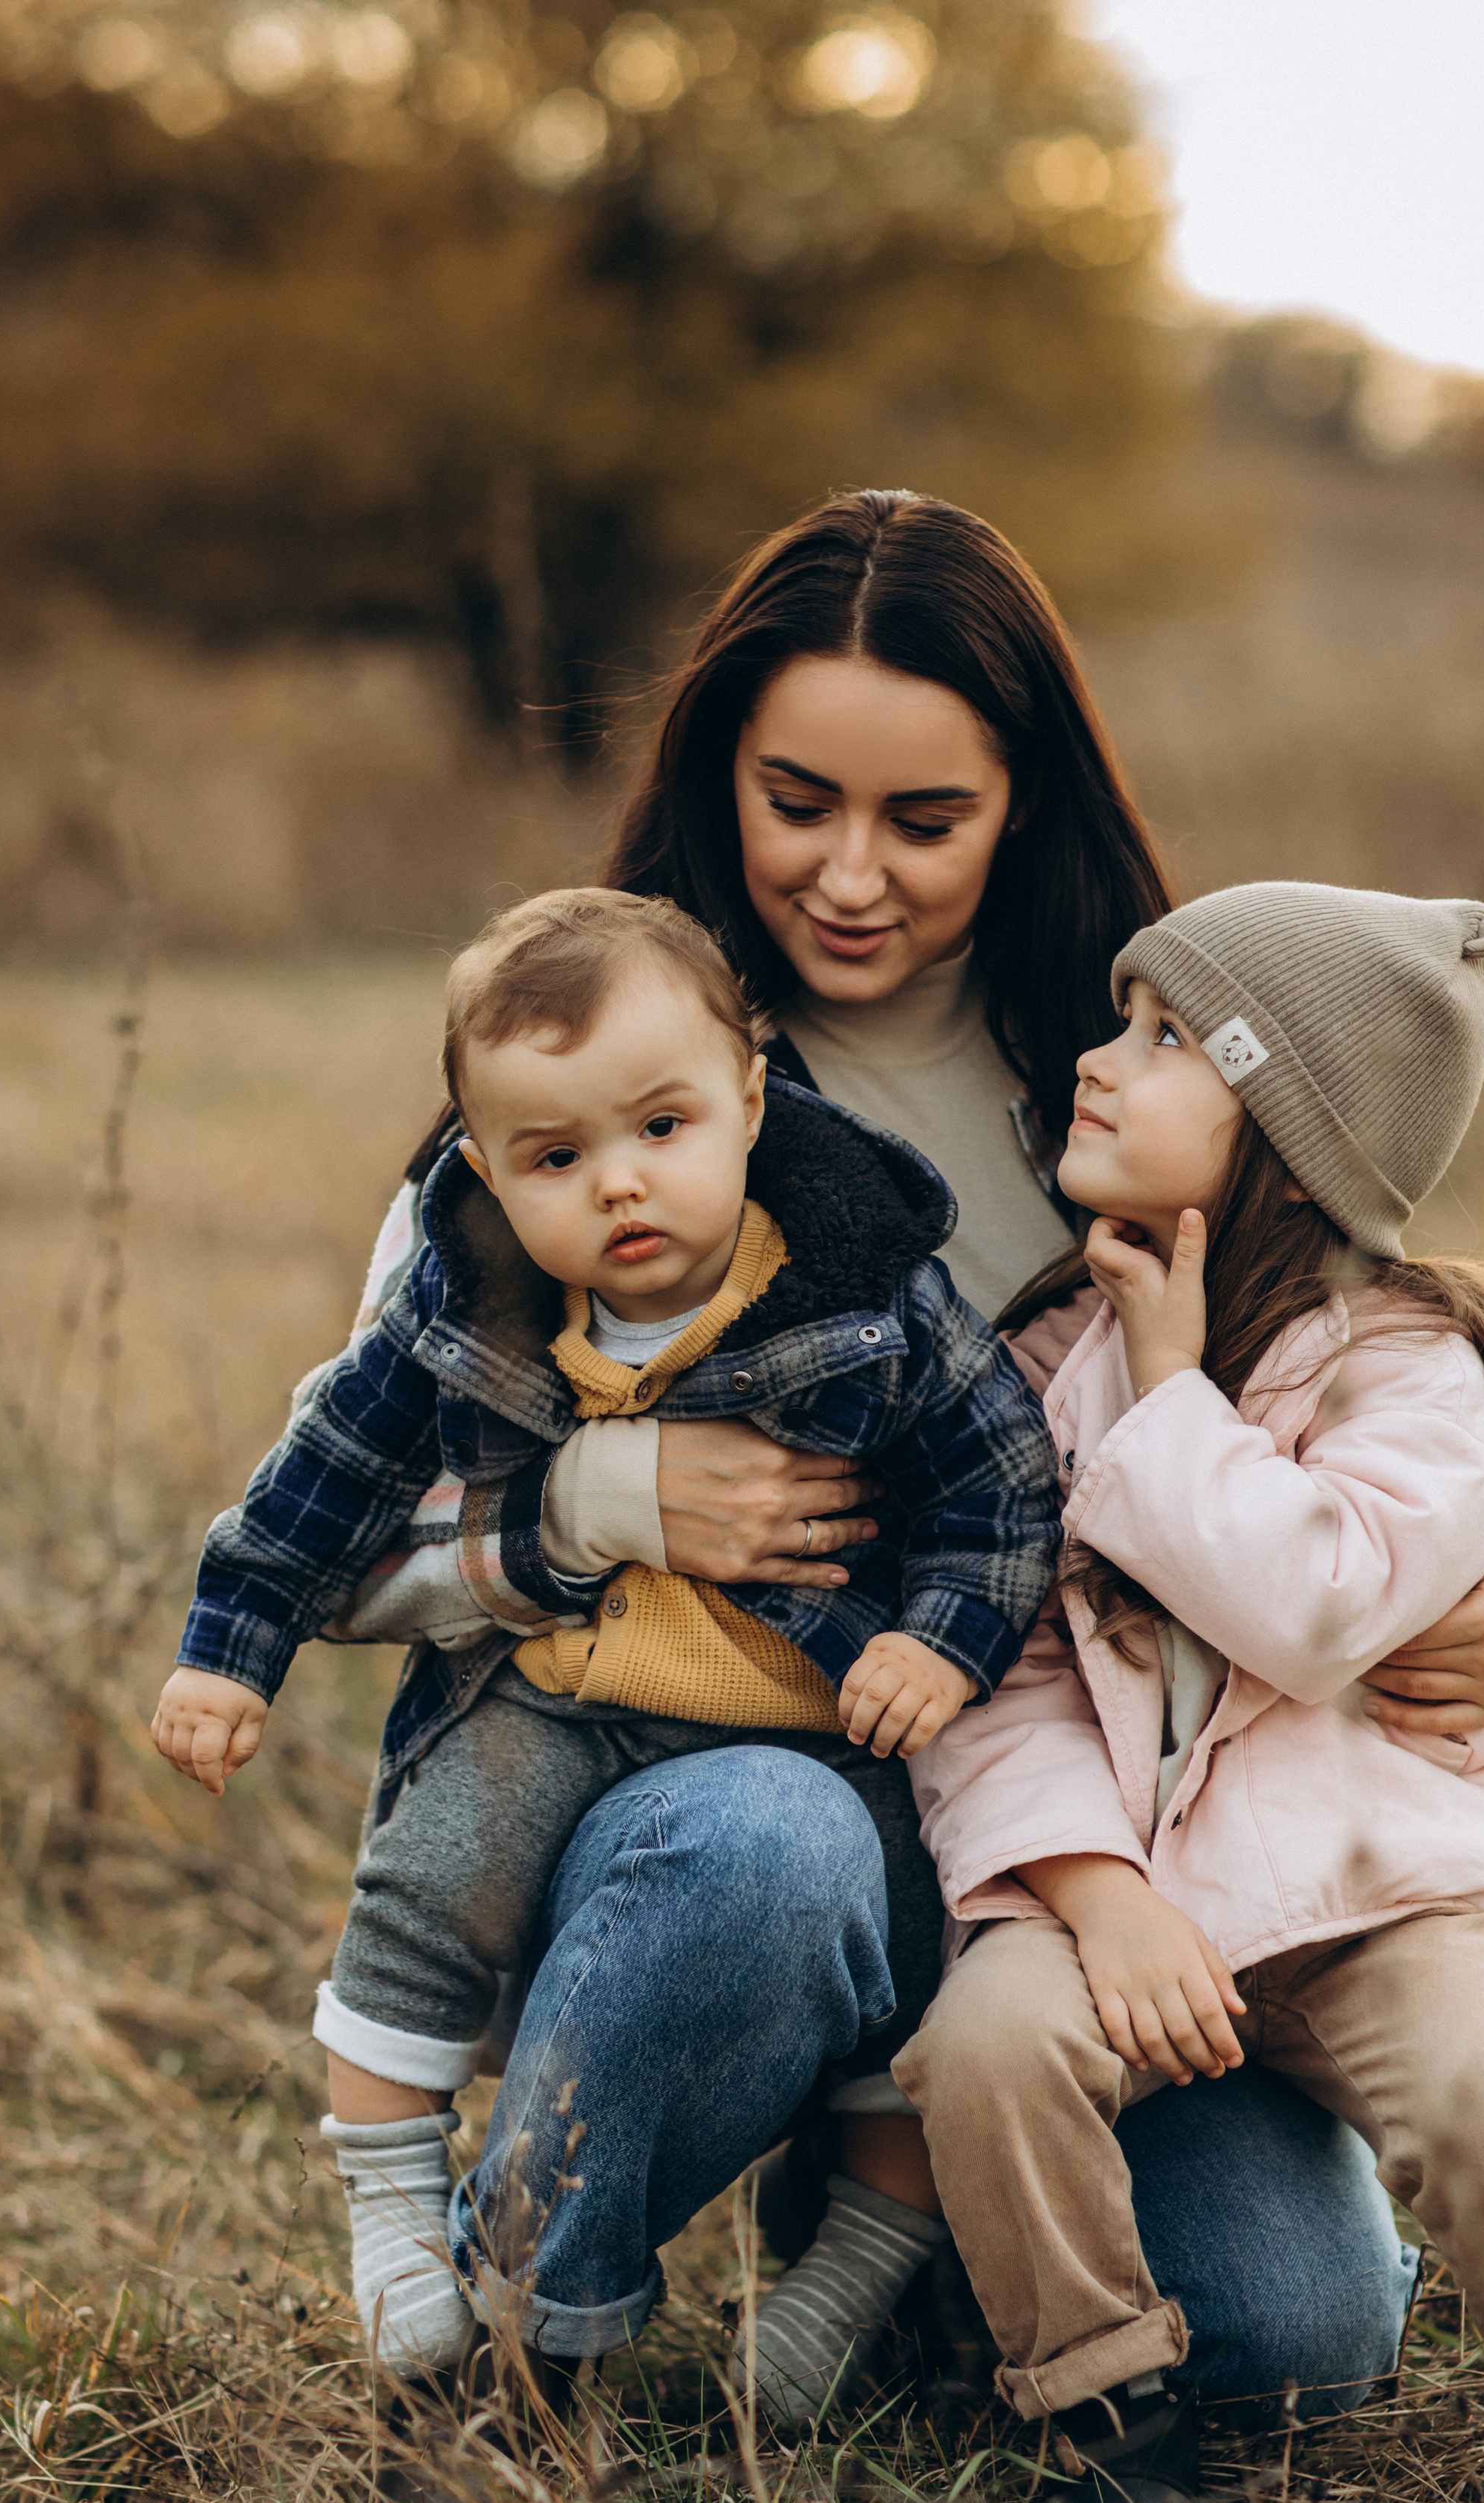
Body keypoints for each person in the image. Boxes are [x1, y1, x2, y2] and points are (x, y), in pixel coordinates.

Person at [298, 492, 1484, 2424]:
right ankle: (514, 2322)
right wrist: (592, 1504)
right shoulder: (589, 1091)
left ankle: (905, 2241)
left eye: (926, 820)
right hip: (721, 1818)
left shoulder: (1139, 1070)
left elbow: (1366, 1380)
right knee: (770, 1842)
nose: (846, 874)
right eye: (794, 798)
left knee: (1296, 2337)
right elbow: (326, 1544)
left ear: (1027, 803)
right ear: (716, 775)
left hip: (1086, 1873)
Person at [896, 883, 1484, 2503]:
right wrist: (1092, 1896)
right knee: (987, 2044)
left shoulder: (1405, 1366)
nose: (1099, 1066)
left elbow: (1319, 1605)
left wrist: (1174, 1394)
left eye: (1164, 1039)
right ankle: (1103, 2426)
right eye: (1116, 1023)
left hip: (1367, 1896)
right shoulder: (1048, 1357)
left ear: (1280, 1129)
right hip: (1126, 1901)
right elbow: (1003, 1677)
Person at [151, 886, 1060, 2380]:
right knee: (423, 1884)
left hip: (819, 1717)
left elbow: (1003, 1479)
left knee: (924, 1958)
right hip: (552, 1692)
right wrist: (226, 1646)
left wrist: (942, 1644)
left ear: (749, 1100)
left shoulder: (863, 1285)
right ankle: (393, 2208)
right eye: (556, 1159)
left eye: (662, 1130)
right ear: (483, 1169)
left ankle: (850, 2276)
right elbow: (324, 1482)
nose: (619, 1188)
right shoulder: (464, 1298)